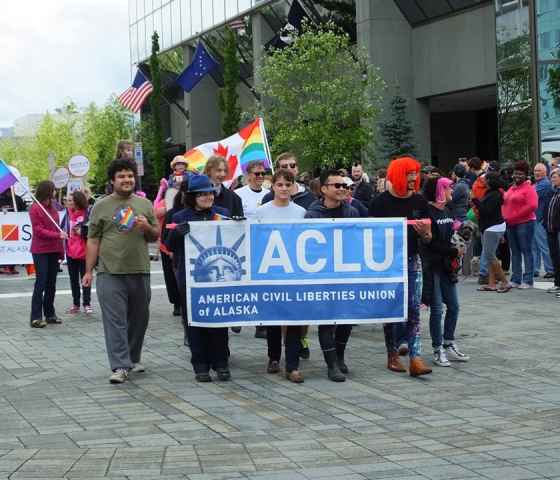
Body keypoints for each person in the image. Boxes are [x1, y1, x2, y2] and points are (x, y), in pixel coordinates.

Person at [83, 159, 159, 384]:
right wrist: (88, 271)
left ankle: (133, 358)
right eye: (121, 176)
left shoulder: (145, 204)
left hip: (140, 271)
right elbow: (93, 240)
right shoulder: (101, 206)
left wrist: (146, 227)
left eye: (130, 176)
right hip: (109, 272)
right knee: (115, 321)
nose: (127, 180)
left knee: (139, 319)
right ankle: (119, 365)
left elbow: (155, 235)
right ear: (112, 181)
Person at [369, 156, 433, 377]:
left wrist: (426, 234)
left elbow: (428, 238)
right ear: (396, 176)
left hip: (412, 259)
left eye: (415, 175)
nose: (413, 179)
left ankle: (415, 357)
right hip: (387, 263)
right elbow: (371, 237)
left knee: (414, 308)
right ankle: (392, 354)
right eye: (408, 175)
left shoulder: (420, 202)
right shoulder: (379, 203)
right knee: (391, 309)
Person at [166, 175, 232, 382]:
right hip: (191, 279)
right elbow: (168, 246)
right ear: (192, 196)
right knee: (194, 322)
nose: (207, 197)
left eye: (210, 193)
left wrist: (238, 225)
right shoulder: (179, 217)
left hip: (219, 280)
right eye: (202, 194)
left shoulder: (223, 214)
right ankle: (200, 364)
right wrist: (177, 233)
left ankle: (221, 362)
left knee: (220, 320)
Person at [305, 169, 359, 382]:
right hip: (323, 275)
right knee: (326, 320)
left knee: (346, 318)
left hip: (346, 274)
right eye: (337, 186)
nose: (342, 189)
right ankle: (331, 365)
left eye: (344, 186)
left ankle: (340, 356)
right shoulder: (312, 214)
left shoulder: (351, 212)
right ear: (324, 189)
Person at [255, 170, 306, 383]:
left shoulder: (301, 212)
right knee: (273, 318)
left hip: (294, 272)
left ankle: (292, 365)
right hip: (271, 272)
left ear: (293, 186)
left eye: (288, 184)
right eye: (280, 184)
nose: (284, 188)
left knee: (294, 318)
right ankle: (274, 357)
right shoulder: (262, 212)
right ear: (273, 186)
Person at [421, 177, 469, 367]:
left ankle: (449, 342)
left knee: (454, 306)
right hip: (433, 266)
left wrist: (460, 240)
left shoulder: (448, 210)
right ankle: (437, 348)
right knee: (437, 310)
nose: (452, 190)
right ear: (439, 190)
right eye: (448, 188)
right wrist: (453, 250)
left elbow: (451, 235)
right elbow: (429, 242)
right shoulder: (427, 211)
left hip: (448, 267)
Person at [29, 181, 67, 328]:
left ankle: (50, 314)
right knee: (41, 282)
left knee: (51, 283)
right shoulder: (35, 208)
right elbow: (38, 230)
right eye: (53, 190)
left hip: (53, 250)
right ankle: (36, 317)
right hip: (40, 250)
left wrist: (61, 252)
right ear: (48, 191)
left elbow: (58, 229)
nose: (55, 192)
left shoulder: (53, 209)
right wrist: (57, 235)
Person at [502, 161, 538, 288]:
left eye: (520, 174)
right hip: (511, 224)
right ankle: (516, 279)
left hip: (525, 223)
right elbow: (506, 202)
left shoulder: (529, 188)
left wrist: (514, 216)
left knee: (526, 251)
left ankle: (528, 280)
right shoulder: (512, 187)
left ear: (526, 175)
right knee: (515, 252)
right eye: (516, 173)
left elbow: (533, 205)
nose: (517, 176)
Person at [473, 172, 510, 293]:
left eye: (486, 179)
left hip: (493, 227)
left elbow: (486, 210)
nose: (484, 181)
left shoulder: (495, 194)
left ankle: (505, 282)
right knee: (490, 255)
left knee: (490, 255)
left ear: (490, 181)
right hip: (490, 227)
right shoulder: (491, 193)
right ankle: (491, 283)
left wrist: (475, 201)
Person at [153, 178, 181, 317]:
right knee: (170, 277)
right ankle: (176, 304)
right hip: (166, 245)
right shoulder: (166, 204)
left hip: (181, 247)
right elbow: (156, 213)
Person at [62, 190, 93, 314]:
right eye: (67, 200)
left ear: (77, 202)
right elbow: (61, 227)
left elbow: (93, 231)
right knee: (73, 279)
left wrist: (83, 233)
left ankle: (87, 303)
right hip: (70, 252)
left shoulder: (87, 213)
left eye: (70, 200)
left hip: (84, 252)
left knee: (85, 278)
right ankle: (76, 303)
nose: (67, 203)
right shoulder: (67, 213)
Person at [532, 163, 554, 279]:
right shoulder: (537, 184)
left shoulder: (544, 184)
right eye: (535, 170)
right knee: (535, 246)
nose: (536, 173)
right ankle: (535, 269)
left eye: (539, 171)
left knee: (543, 246)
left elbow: (530, 194)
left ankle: (550, 269)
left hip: (540, 219)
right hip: (535, 218)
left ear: (545, 172)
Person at [545, 169, 560, 295]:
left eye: (555, 177)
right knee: (555, 257)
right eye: (552, 177)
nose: (552, 179)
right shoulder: (554, 193)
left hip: (557, 230)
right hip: (551, 231)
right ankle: (557, 283)